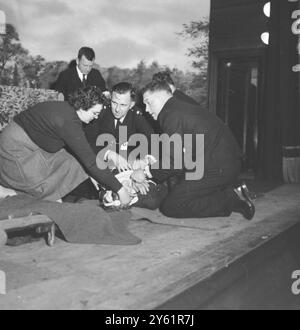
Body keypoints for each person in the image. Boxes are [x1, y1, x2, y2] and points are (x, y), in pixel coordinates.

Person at [131, 80, 255, 220]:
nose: (146, 109)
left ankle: (231, 198)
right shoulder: (181, 107)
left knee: (172, 206)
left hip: (217, 168)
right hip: (227, 162)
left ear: (160, 97)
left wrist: (146, 172)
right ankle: (228, 188)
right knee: (176, 184)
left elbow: (173, 163)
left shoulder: (169, 114)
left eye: (148, 102)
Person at [0, 86, 132, 206]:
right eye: (94, 113)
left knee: (72, 163)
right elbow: (91, 162)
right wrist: (120, 190)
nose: (96, 117)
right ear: (83, 106)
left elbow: (84, 148)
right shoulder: (68, 122)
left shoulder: (69, 110)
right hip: (13, 153)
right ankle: (9, 192)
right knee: (42, 192)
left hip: (28, 145)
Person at [86, 82, 154, 172]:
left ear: (132, 104)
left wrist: (144, 160)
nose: (117, 109)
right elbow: (88, 140)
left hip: (129, 165)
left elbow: (152, 140)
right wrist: (109, 154)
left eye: (123, 105)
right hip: (100, 163)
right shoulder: (100, 111)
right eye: (114, 102)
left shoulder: (138, 116)